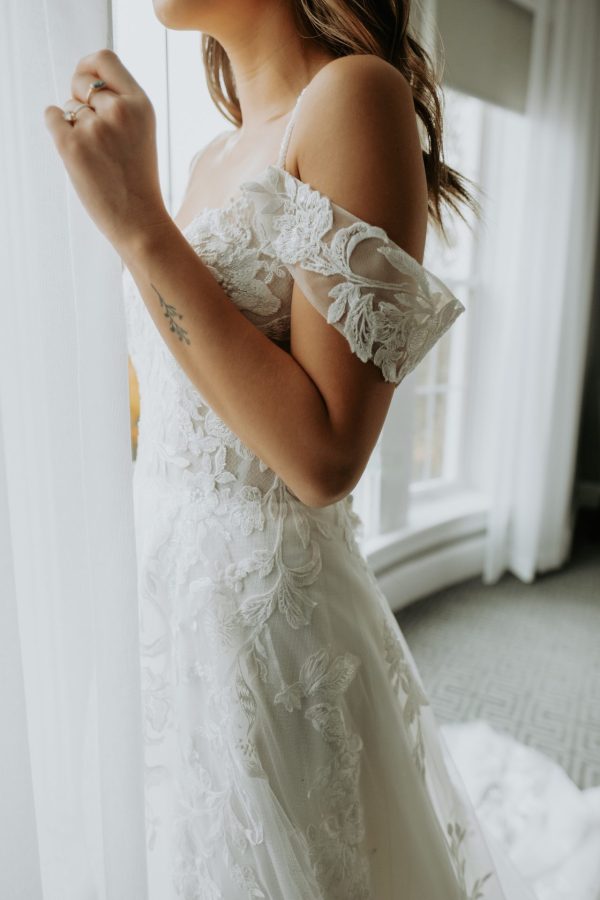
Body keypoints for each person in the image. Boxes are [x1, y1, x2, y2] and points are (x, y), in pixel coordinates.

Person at [43, 2, 545, 897]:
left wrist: (139, 226)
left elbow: (324, 458)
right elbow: (173, 398)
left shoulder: (354, 97)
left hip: (266, 633)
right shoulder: (206, 159)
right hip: (166, 619)